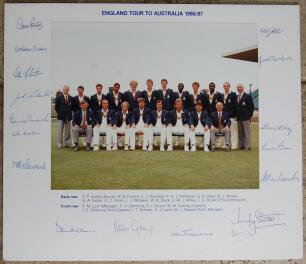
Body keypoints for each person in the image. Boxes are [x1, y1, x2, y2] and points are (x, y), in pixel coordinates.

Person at [236, 83, 254, 150]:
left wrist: (250, 116)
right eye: (238, 87)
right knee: (240, 132)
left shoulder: (247, 96)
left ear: (243, 88)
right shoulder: (237, 96)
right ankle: (241, 145)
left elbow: (251, 107)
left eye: (240, 87)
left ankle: (248, 146)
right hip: (239, 118)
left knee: (247, 132)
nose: (239, 88)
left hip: (246, 117)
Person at [222, 82, 238, 149]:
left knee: (233, 131)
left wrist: (236, 115)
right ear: (223, 87)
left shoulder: (233, 94)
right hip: (224, 116)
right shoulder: (222, 95)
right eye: (225, 86)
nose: (226, 87)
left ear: (229, 86)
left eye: (227, 86)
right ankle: (226, 144)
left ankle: (234, 145)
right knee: (226, 131)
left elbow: (236, 105)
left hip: (232, 116)